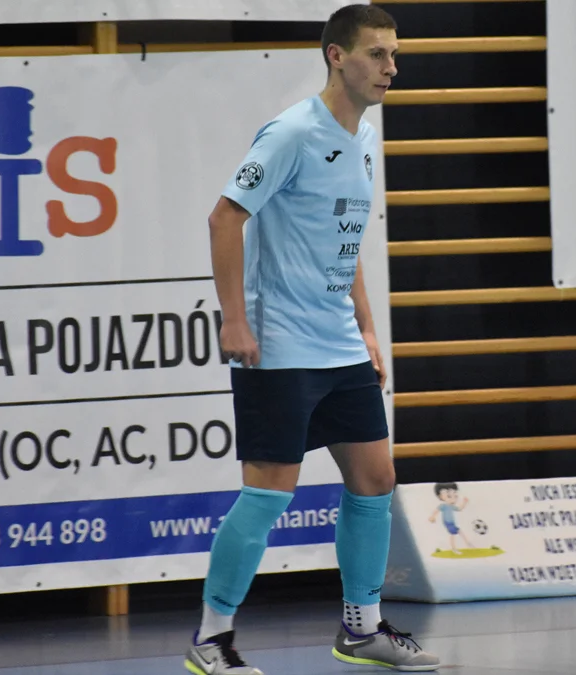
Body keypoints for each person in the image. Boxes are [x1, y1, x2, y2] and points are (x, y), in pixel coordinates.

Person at [184, 5, 440, 675]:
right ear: (336, 56)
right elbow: (224, 218)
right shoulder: (293, 133)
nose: (392, 67)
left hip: (339, 344)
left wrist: (366, 327)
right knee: (270, 490)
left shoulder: (365, 135)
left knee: (375, 477)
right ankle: (212, 638)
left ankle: (361, 628)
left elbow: (343, 235)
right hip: (282, 343)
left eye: (393, 54)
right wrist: (234, 319)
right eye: (378, 54)